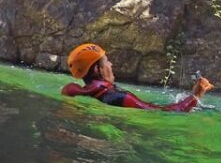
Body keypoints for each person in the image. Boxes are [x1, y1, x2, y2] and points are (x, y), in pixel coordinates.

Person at [61, 43, 213, 112]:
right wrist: (196, 95)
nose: (111, 64)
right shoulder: (120, 97)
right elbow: (166, 112)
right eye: (106, 61)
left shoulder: (84, 92)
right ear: (96, 69)